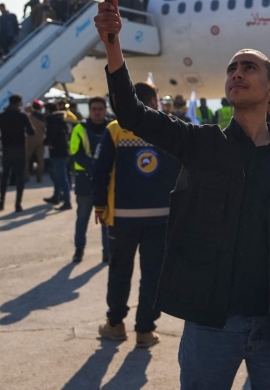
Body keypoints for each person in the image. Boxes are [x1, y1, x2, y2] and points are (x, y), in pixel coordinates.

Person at [93, 0, 270, 389]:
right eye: (232, 68)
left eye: (248, 67)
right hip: (212, 325)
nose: (237, 72)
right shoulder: (202, 145)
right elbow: (132, 113)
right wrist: (113, 42)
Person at [92, 83, 178, 349]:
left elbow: (99, 170)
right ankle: (145, 330)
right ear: (154, 101)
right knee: (153, 275)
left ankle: (115, 324)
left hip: (122, 217)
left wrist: (98, 206)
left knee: (119, 272)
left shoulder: (115, 129)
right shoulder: (169, 128)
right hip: (161, 218)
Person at [70, 97, 111, 264]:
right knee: (83, 218)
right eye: (94, 109)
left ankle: (107, 252)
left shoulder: (112, 127)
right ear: (89, 110)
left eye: (100, 109)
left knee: (106, 220)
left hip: (107, 181)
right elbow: (75, 152)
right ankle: (79, 250)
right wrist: (96, 166)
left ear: (105, 110)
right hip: (85, 180)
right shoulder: (79, 128)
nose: (97, 112)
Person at [0, 94, 34, 212]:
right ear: (19, 103)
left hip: (7, 149)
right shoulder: (22, 116)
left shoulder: (1, 116)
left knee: (5, 175)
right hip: (20, 149)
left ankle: (1, 201)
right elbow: (31, 132)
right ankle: (18, 204)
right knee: (20, 176)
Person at [43, 102, 72, 211]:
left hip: (57, 152)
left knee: (61, 177)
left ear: (49, 111)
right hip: (64, 151)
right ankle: (56, 196)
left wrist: (46, 142)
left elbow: (51, 135)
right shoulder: (61, 120)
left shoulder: (52, 121)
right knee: (57, 175)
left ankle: (67, 201)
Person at [26, 100, 46, 183]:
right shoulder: (42, 118)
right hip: (40, 140)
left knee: (26, 159)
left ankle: (26, 177)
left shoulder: (28, 117)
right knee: (40, 160)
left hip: (30, 140)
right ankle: (39, 178)